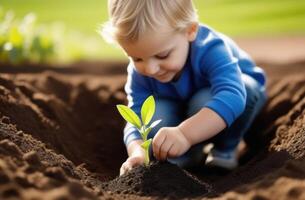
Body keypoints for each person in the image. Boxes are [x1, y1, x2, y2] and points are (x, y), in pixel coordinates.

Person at [101, 0, 267, 176]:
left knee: (206, 99)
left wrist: (185, 135)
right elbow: (135, 119)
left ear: (190, 30)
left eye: (162, 55)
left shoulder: (210, 48)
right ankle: (189, 156)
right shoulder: (140, 73)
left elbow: (233, 96)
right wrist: (138, 153)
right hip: (178, 103)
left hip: (231, 96)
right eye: (137, 59)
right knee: (153, 115)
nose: (150, 69)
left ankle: (225, 149)